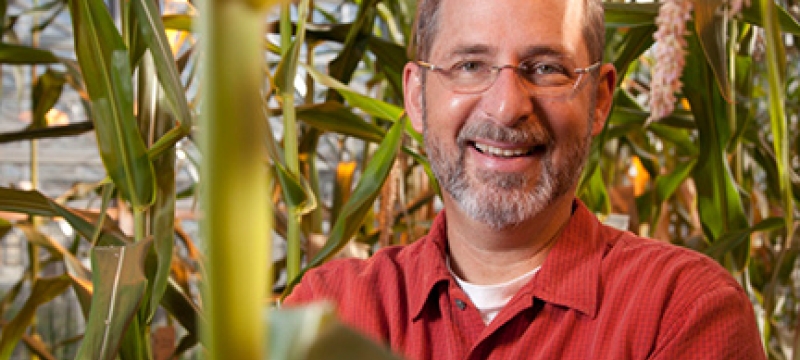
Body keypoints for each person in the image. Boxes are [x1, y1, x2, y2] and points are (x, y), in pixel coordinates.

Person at [284, 0, 766, 358]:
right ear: (416, 97)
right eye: (470, 66)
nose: (506, 106)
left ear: (600, 99)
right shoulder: (327, 313)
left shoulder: (683, 311)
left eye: (546, 69)